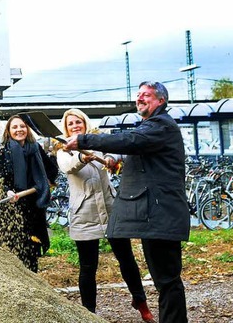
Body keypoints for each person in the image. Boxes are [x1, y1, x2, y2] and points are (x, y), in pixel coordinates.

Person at [65, 81, 189, 323]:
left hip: (162, 215)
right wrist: (112, 157)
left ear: (161, 101)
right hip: (156, 215)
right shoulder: (151, 126)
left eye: (147, 95)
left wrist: (85, 140)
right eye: (138, 95)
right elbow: (131, 144)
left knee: (167, 280)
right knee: (164, 279)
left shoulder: (161, 125)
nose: (140, 98)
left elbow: (130, 141)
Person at [58, 108, 153, 321]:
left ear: (85, 123)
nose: (75, 126)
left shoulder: (99, 141)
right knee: (88, 266)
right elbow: (68, 167)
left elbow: (118, 148)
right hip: (85, 212)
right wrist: (81, 157)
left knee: (126, 258)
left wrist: (110, 156)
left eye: (78, 122)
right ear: (66, 128)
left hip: (111, 208)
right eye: (71, 123)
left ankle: (141, 302)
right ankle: (89, 314)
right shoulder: (63, 150)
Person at [0, 115, 50, 272]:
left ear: (27, 129)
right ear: (9, 131)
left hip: (33, 207)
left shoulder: (36, 148)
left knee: (31, 249)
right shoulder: (4, 152)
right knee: (11, 249)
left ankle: (32, 284)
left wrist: (45, 183)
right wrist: (8, 191)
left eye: (22, 126)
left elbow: (51, 170)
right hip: (12, 207)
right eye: (15, 127)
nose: (19, 130)